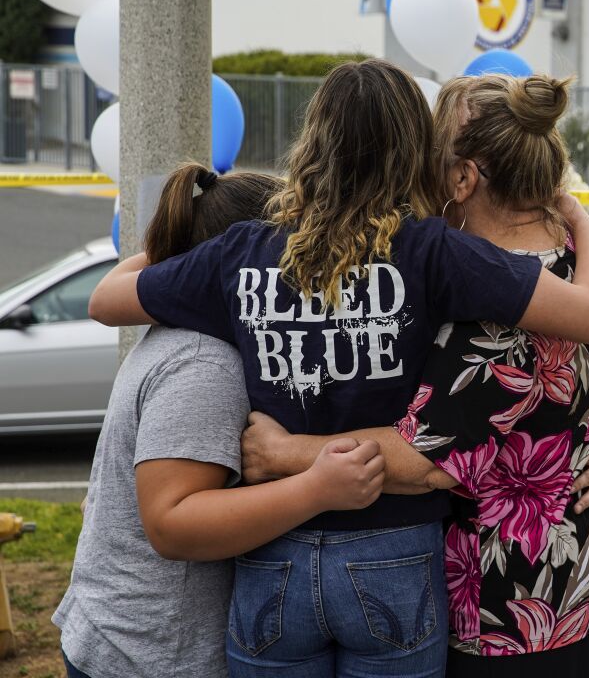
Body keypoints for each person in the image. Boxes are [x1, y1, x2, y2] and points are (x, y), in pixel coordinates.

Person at [87, 59, 589, 676]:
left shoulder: (242, 251)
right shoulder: (433, 250)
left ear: (312, 141)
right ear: (414, 152)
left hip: (274, 548)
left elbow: (106, 300)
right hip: (394, 552)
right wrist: (578, 216)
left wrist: (184, 236)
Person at [239, 74, 589, 678]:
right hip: (584, 577)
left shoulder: (497, 319)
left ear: (463, 179)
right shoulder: (572, 268)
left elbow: (427, 462)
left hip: (514, 609)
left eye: (430, 157)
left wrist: (285, 452)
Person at [54, 164, 387, 678]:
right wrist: (318, 489)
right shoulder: (206, 364)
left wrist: (197, 238)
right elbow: (172, 524)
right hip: (151, 655)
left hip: (127, 639)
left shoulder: (184, 335)